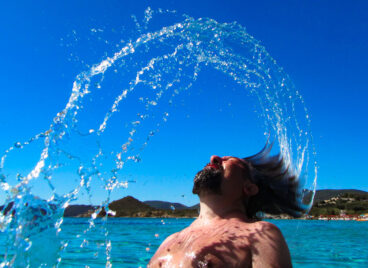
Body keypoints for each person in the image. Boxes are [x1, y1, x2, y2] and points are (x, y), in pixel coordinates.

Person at [149, 144, 308, 267]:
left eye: (228, 160)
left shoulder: (259, 234)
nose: (213, 158)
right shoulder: (170, 240)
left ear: (249, 187)